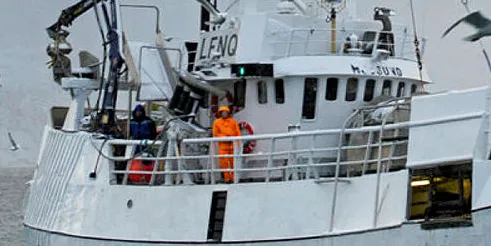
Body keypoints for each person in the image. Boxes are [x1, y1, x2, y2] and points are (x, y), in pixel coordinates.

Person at [212, 106, 241, 183]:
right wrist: (224, 137)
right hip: (223, 145)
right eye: (223, 112)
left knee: (233, 162)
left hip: (232, 145)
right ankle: (227, 178)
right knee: (223, 163)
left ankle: (233, 178)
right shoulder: (216, 122)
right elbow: (215, 134)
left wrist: (238, 144)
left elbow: (237, 132)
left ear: (228, 113)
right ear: (220, 113)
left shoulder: (233, 122)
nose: (224, 114)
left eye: (225, 112)